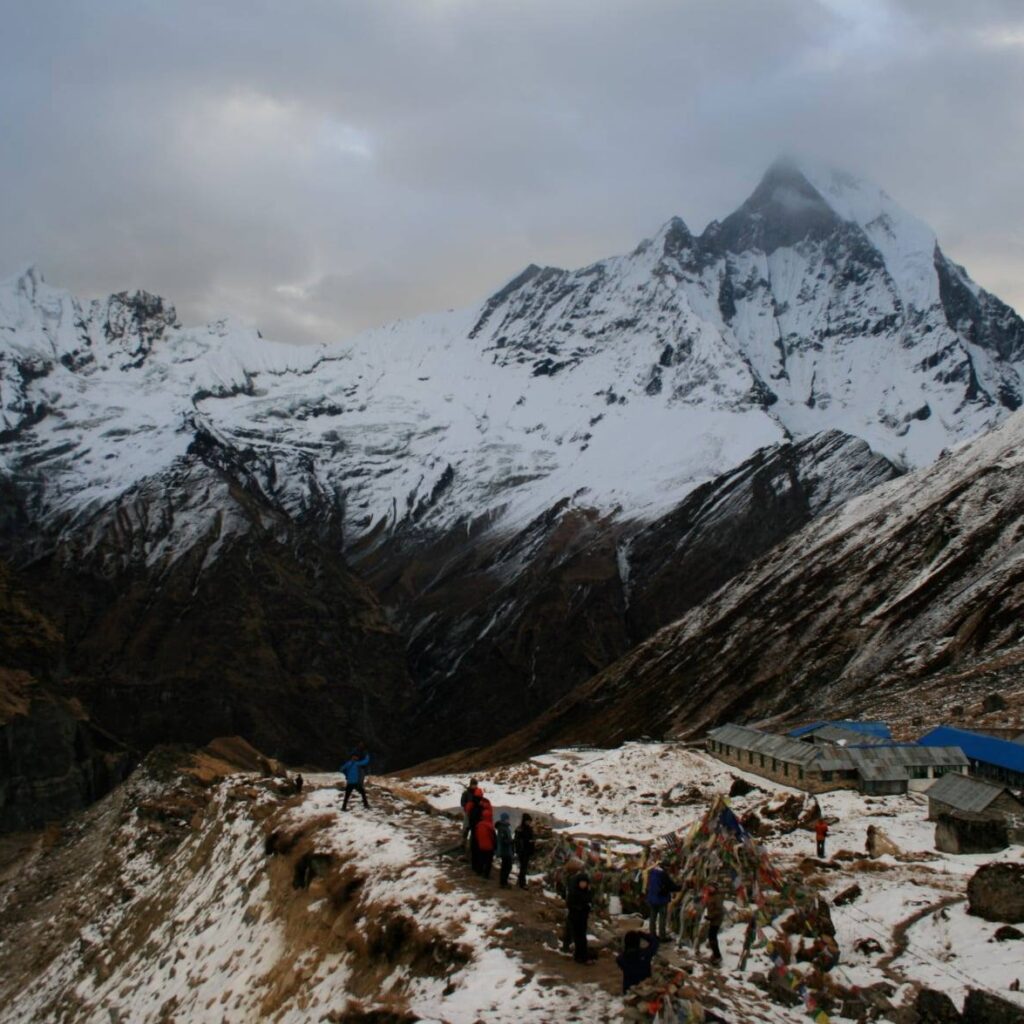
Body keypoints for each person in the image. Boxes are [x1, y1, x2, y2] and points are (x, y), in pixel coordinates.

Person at [646, 860, 682, 940]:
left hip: (652, 898)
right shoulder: (663, 874)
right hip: (661, 899)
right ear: (665, 867)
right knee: (662, 918)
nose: (669, 870)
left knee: (653, 917)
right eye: (668, 868)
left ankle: (652, 935)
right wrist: (681, 887)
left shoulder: (652, 872)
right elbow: (670, 886)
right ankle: (662, 936)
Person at [566, 871, 594, 964]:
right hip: (575, 917)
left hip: (583, 918)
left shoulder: (587, 892)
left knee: (582, 937)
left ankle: (582, 956)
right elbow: (570, 904)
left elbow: (589, 902)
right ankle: (581, 957)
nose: (583, 884)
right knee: (579, 937)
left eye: (585, 882)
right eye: (581, 882)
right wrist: (580, 907)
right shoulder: (574, 892)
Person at [700, 883, 725, 965]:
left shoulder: (717, 897)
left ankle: (717, 956)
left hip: (716, 919)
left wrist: (711, 916)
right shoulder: (710, 896)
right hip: (712, 918)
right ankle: (715, 954)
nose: (710, 889)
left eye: (711, 888)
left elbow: (719, 910)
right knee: (711, 937)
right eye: (709, 887)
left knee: (712, 937)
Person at [514, 813, 536, 889]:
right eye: (528, 821)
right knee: (523, 867)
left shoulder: (529, 829)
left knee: (524, 867)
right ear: (525, 820)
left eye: (530, 821)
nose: (529, 822)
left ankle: (521, 881)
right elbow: (517, 840)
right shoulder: (520, 829)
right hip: (522, 850)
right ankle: (522, 884)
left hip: (527, 850)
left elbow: (531, 838)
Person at [495, 812, 515, 887]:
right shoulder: (502, 828)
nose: (508, 820)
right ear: (504, 819)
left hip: (506, 850)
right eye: (507, 819)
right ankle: (503, 882)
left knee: (506, 866)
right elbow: (503, 840)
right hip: (505, 851)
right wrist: (511, 841)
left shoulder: (505, 827)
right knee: (507, 866)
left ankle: (504, 882)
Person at [460, 778, 478, 855]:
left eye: (476, 784)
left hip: (475, 815)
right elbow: (462, 802)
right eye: (474, 784)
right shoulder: (465, 793)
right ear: (470, 785)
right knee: (466, 829)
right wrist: (467, 806)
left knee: (474, 831)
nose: (475, 786)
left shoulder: (478, 793)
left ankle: (471, 847)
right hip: (468, 814)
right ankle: (463, 844)